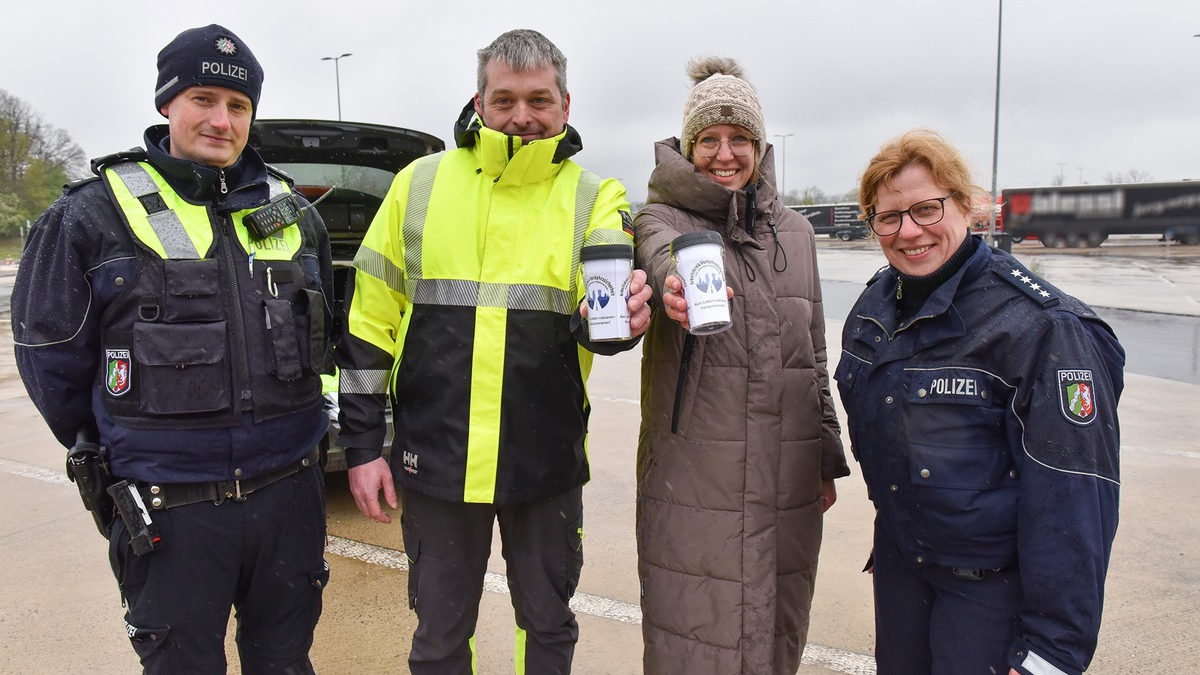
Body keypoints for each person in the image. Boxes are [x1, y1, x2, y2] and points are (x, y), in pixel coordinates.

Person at [11, 25, 333, 675]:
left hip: (289, 501)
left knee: (286, 662)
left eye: (238, 105)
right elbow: (52, 360)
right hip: (171, 511)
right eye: (204, 99)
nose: (221, 120)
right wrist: (115, 443)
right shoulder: (92, 216)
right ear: (167, 103)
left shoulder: (293, 212)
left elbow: (324, 334)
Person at [334, 29, 653, 675]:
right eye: (504, 99)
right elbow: (368, 325)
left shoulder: (596, 196)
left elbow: (609, 319)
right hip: (437, 459)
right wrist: (364, 445)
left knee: (548, 627)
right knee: (440, 637)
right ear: (478, 102)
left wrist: (621, 321)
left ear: (566, 104)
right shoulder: (417, 185)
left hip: (546, 463)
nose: (523, 116)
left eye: (539, 99)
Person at [835, 129, 1124, 675]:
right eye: (888, 216)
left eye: (926, 209)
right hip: (905, 575)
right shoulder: (876, 304)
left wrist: (1050, 652)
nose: (909, 231)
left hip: (990, 599)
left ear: (967, 205)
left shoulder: (1040, 328)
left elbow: (1074, 497)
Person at [631, 57, 850, 675]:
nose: (724, 155)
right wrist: (672, 284)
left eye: (740, 140)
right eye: (709, 140)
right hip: (696, 482)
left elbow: (814, 354)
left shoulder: (797, 234)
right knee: (694, 641)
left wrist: (826, 458)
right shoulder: (660, 219)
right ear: (688, 145)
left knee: (777, 638)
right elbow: (658, 257)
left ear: (759, 145)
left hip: (788, 480)